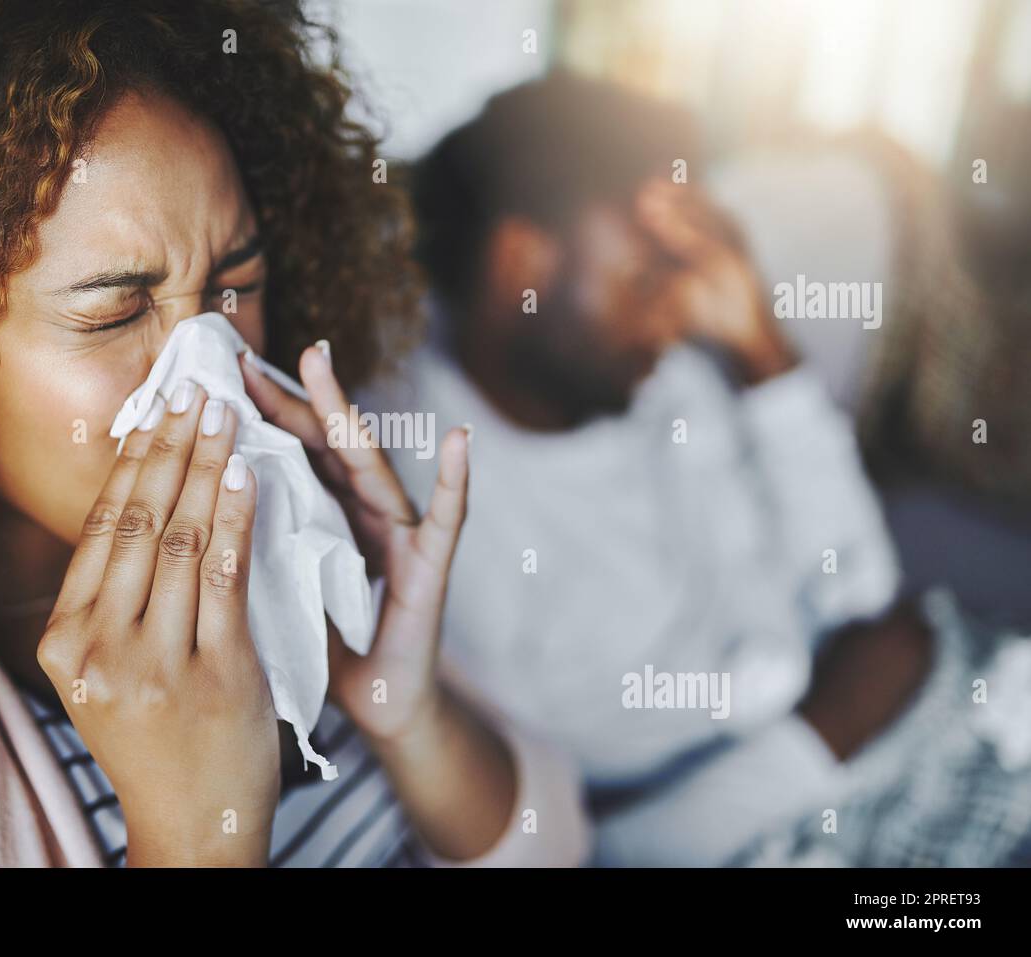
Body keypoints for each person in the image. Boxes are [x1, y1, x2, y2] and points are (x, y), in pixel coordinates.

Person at [0, 0, 586, 868]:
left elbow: (557, 852)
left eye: (234, 282)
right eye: (115, 310)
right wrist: (195, 835)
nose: (211, 372)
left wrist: (406, 707)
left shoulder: (293, 571)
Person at [365, 72, 934, 864]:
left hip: (914, 711)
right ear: (521, 263)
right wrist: (828, 730)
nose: (674, 314)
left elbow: (865, 592)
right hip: (803, 810)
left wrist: (764, 354)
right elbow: (593, 845)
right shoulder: (420, 501)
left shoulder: (658, 379)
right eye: (644, 278)